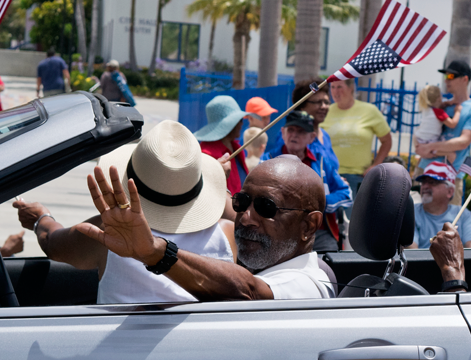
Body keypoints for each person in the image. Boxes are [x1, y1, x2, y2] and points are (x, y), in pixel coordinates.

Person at [13, 121, 237, 304]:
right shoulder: (229, 235)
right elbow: (229, 212)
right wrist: (219, 185)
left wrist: (40, 218)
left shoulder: (108, 233)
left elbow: (52, 243)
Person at [75, 157, 335, 301]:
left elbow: (249, 292)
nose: (245, 218)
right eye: (241, 202)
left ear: (308, 226)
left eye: (266, 208)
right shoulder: (269, 256)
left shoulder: (310, 283)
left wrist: (155, 252)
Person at [262, 111, 352, 253]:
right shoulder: (267, 160)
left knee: (330, 264)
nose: (295, 135)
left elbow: (346, 193)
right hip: (278, 231)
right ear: (283, 132)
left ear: (312, 137)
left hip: (318, 233)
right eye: (291, 130)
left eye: (301, 131)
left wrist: (321, 202)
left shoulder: (322, 162)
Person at [414, 60, 471, 205]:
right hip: (425, 170)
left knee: (449, 224)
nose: (446, 80)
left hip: (451, 176)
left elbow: (463, 142)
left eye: (451, 76)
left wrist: (428, 147)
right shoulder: (441, 106)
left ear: (465, 79)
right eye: (446, 76)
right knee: (416, 220)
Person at [323, 78, 392, 199]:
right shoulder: (325, 111)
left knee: (354, 217)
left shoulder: (369, 110)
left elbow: (387, 141)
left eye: (339, 87)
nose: (335, 91)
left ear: (351, 88)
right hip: (329, 175)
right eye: (332, 87)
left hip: (358, 177)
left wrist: (376, 165)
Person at [265, 78, 339, 172]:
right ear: (302, 105)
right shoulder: (288, 137)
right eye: (318, 102)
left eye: (326, 102)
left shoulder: (325, 135)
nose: (323, 106)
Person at [409, 161, 471, 249]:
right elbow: (412, 252)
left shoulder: (463, 214)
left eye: (432, 182)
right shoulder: (411, 212)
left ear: (450, 192)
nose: (425, 186)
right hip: (421, 263)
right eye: (423, 182)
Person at [195, 95, 251, 195]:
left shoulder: (237, 148)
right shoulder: (207, 154)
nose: (242, 123)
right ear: (229, 124)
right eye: (240, 120)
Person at [415, 84, 462, 154]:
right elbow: (452, 124)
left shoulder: (426, 109)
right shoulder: (438, 112)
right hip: (429, 142)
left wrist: (446, 103)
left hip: (419, 139)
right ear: (439, 98)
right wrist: (457, 112)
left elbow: (438, 107)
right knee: (451, 154)